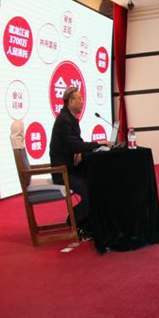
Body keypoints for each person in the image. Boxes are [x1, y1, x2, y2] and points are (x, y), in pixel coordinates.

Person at [49, 86, 110, 227]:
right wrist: (98, 144)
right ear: (71, 101)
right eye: (79, 99)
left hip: (69, 168)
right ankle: (74, 220)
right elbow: (76, 146)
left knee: (94, 181)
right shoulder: (65, 120)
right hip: (62, 172)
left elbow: (77, 144)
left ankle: (88, 220)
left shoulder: (70, 118)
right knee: (90, 189)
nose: (82, 102)